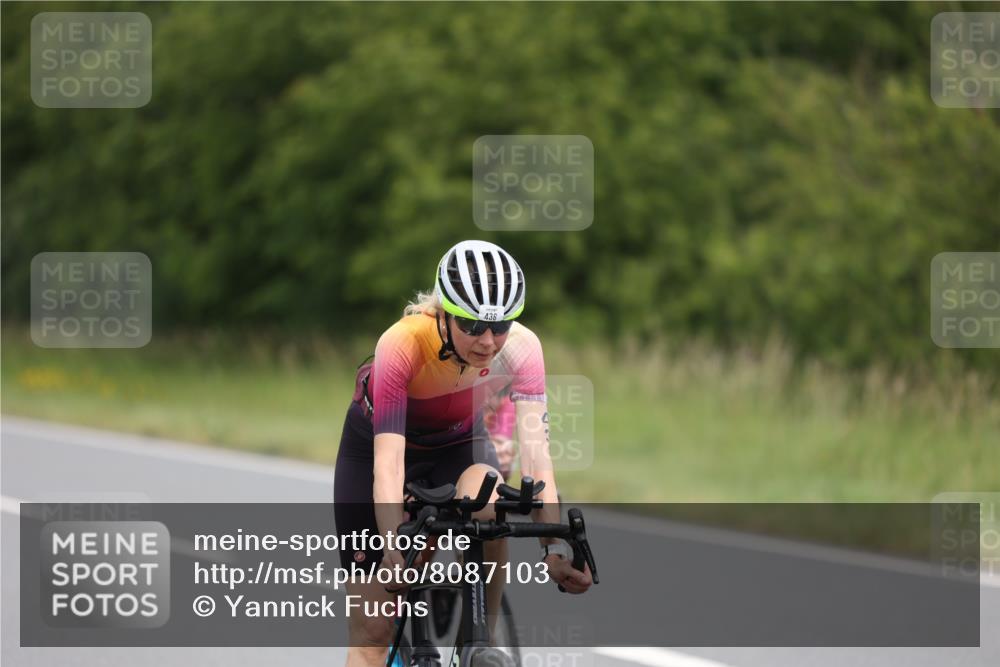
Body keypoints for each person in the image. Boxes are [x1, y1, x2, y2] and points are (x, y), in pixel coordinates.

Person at [334, 240, 592, 667]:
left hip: (458, 445)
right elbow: (389, 463)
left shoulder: (524, 347)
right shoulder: (402, 343)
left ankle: (480, 638)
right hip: (377, 453)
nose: (488, 341)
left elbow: (537, 459)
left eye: (500, 325)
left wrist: (553, 549)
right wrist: (392, 547)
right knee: (373, 631)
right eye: (472, 325)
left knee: (491, 503)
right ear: (444, 313)